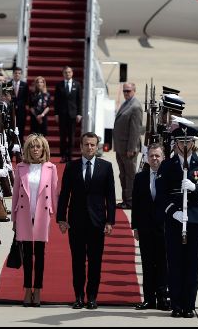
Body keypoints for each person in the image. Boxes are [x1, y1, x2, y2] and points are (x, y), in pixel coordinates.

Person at [157, 122, 198, 318]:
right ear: (175, 144)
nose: (185, 145)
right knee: (175, 263)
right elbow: (161, 195)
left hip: (195, 221)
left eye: (188, 141)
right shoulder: (167, 166)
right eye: (181, 141)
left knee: (192, 264)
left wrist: (195, 188)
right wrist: (173, 212)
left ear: (193, 143)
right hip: (175, 221)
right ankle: (177, 304)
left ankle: (189, 304)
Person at [57, 132, 116, 310]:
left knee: (95, 262)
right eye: (86, 144)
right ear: (80, 146)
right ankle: (78, 297)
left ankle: (92, 297)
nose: (89, 147)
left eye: (92, 144)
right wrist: (61, 218)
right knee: (78, 262)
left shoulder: (106, 167)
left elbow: (110, 197)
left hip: (97, 223)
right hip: (76, 222)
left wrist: (110, 221)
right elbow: (64, 194)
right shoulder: (71, 167)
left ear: (97, 146)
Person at [12, 134, 59, 307]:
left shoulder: (50, 168)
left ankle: (37, 289)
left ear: (44, 149)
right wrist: (14, 219)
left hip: (42, 214)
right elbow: (16, 192)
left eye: (39, 147)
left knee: (39, 254)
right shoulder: (21, 167)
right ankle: (26, 288)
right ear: (27, 149)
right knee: (26, 255)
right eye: (32, 146)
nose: (36, 150)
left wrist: (58, 216)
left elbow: (54, 192)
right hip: (24, 213)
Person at [131, 143, 170, 311]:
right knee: (147, 264)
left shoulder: (169, 177)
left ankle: (162, 298)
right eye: (152, 156)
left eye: (157, 156)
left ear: (163, 157)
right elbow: (136, 204)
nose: (154, 159)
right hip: (145, 228)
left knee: (163, 264)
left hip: (164, 228)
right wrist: (136, 227)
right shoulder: (140, 177)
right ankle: (148, 299)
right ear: (147, 158)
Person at [113, 82, 143, 209]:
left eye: (128, 91)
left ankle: (130, 201)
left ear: (134, 91)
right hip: (121, 147)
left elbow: (135, 130)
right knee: (123, 174)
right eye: (124, 91)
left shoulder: (135, 106)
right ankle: (126, 200)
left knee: (130, 175)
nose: (126, 93)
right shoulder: (126, 103)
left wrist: (131, 148)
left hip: (128, 149)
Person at [54, 66, 82, 162]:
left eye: (69, 72)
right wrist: (56, 113)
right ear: (63, 74)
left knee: (71, 136)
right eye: (66, 72)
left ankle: (69, 156)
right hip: (62, 114)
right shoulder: (59, 85)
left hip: (73, 114)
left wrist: (79, 113)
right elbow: (56, 101)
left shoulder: (77, 84)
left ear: (72, 73)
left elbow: (79, 100)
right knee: (63, 136)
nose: (68, 74)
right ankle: (63, 156)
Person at [11, 67, 29, 141]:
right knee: (11, 128)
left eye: (19, 73)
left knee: (21, 128)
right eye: (15, 73)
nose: (17, 75)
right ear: (13, 74)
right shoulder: (9, 84)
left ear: (21, 75)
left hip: (21, 110)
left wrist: (19, 104)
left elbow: (26, 98)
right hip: (11, 110)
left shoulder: (24, 85)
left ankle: (20, 143)